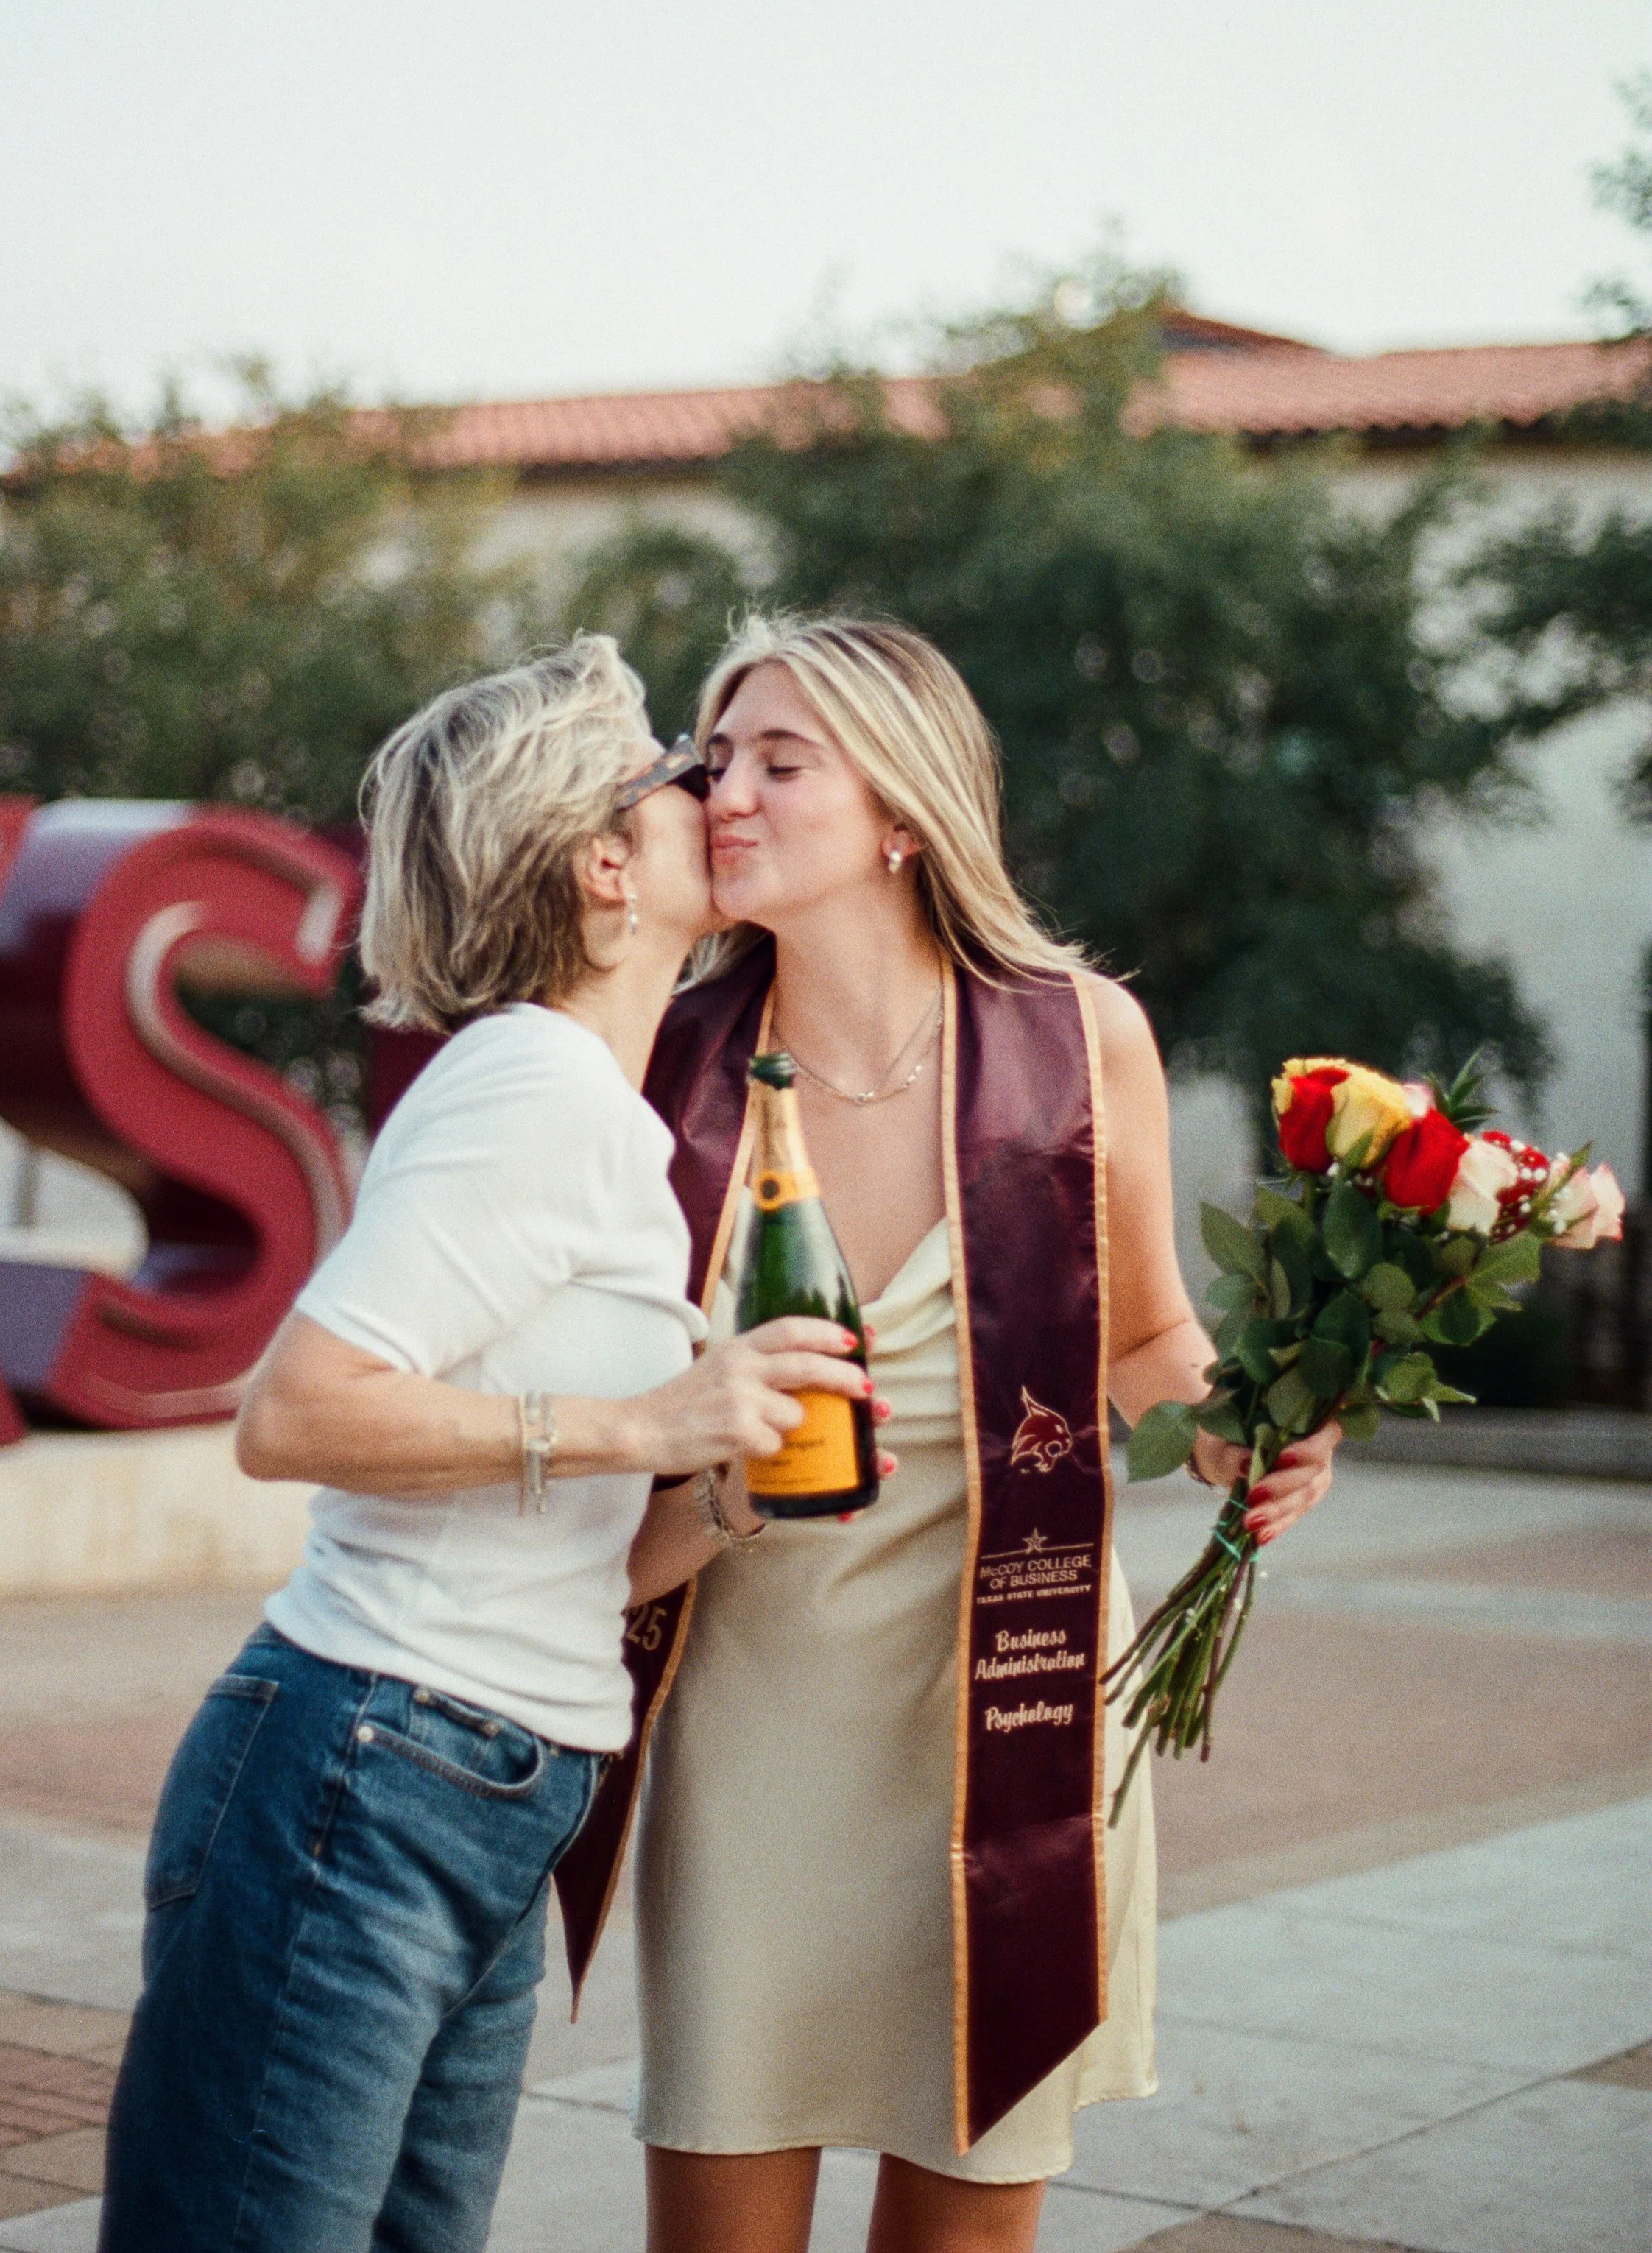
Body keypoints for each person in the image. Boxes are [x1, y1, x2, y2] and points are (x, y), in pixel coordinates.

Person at [551, 613, 1341, 2253]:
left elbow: (1138, 1337)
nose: (726, 793)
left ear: (904, 812)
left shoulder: (1073, 1036)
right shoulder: (654, 1062)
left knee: (967, 2220)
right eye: (714, 758)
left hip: (1008, 1706)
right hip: (745, 1710)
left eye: (782, 759)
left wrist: (1241, 1432)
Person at [97, 635, 870, 2253]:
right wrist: (641, 1416)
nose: (712, 789)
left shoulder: (599, 1113)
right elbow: (292, 1412)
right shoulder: (529, 1085)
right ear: (605, 864)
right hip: (363, 1770)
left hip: (487, 1787)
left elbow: (583, 1549)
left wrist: (726, 1483)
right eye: (678, 773)